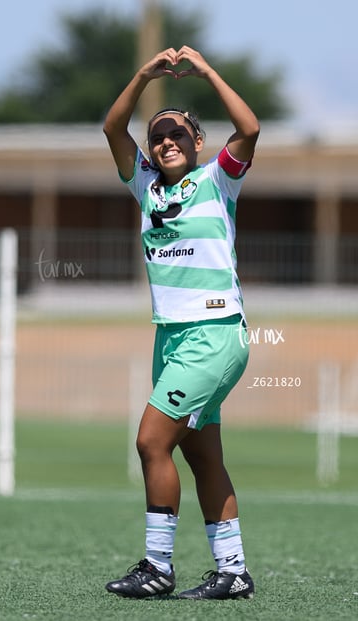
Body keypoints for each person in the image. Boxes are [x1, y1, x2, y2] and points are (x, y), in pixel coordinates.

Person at [103, 45, 260, 600]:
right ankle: (233, 570)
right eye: (158, 137)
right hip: (170, 337)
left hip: (214, 334)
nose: (166, 141)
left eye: (178, 135)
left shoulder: (219, 180)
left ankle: (158, 566)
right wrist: (145, 73)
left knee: (151, 441)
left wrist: (209, 71)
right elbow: (112, 126)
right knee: (199, 452)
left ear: (198, 143)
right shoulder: (146, 186)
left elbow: (249, 127)